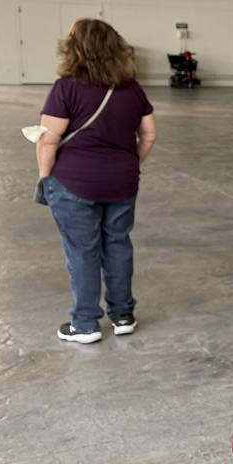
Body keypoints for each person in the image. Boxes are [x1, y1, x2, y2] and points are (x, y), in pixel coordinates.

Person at [36, 18, 157, 344]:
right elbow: (149, 135)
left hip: (74, 183)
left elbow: (48, 139)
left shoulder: (66, 87)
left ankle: (86, 323)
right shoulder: (132, 89)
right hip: (122, 183)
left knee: (83, 251)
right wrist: (129, 163)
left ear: (75, 48)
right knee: (118, 243)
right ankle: (123, 315)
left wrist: (45, 178)